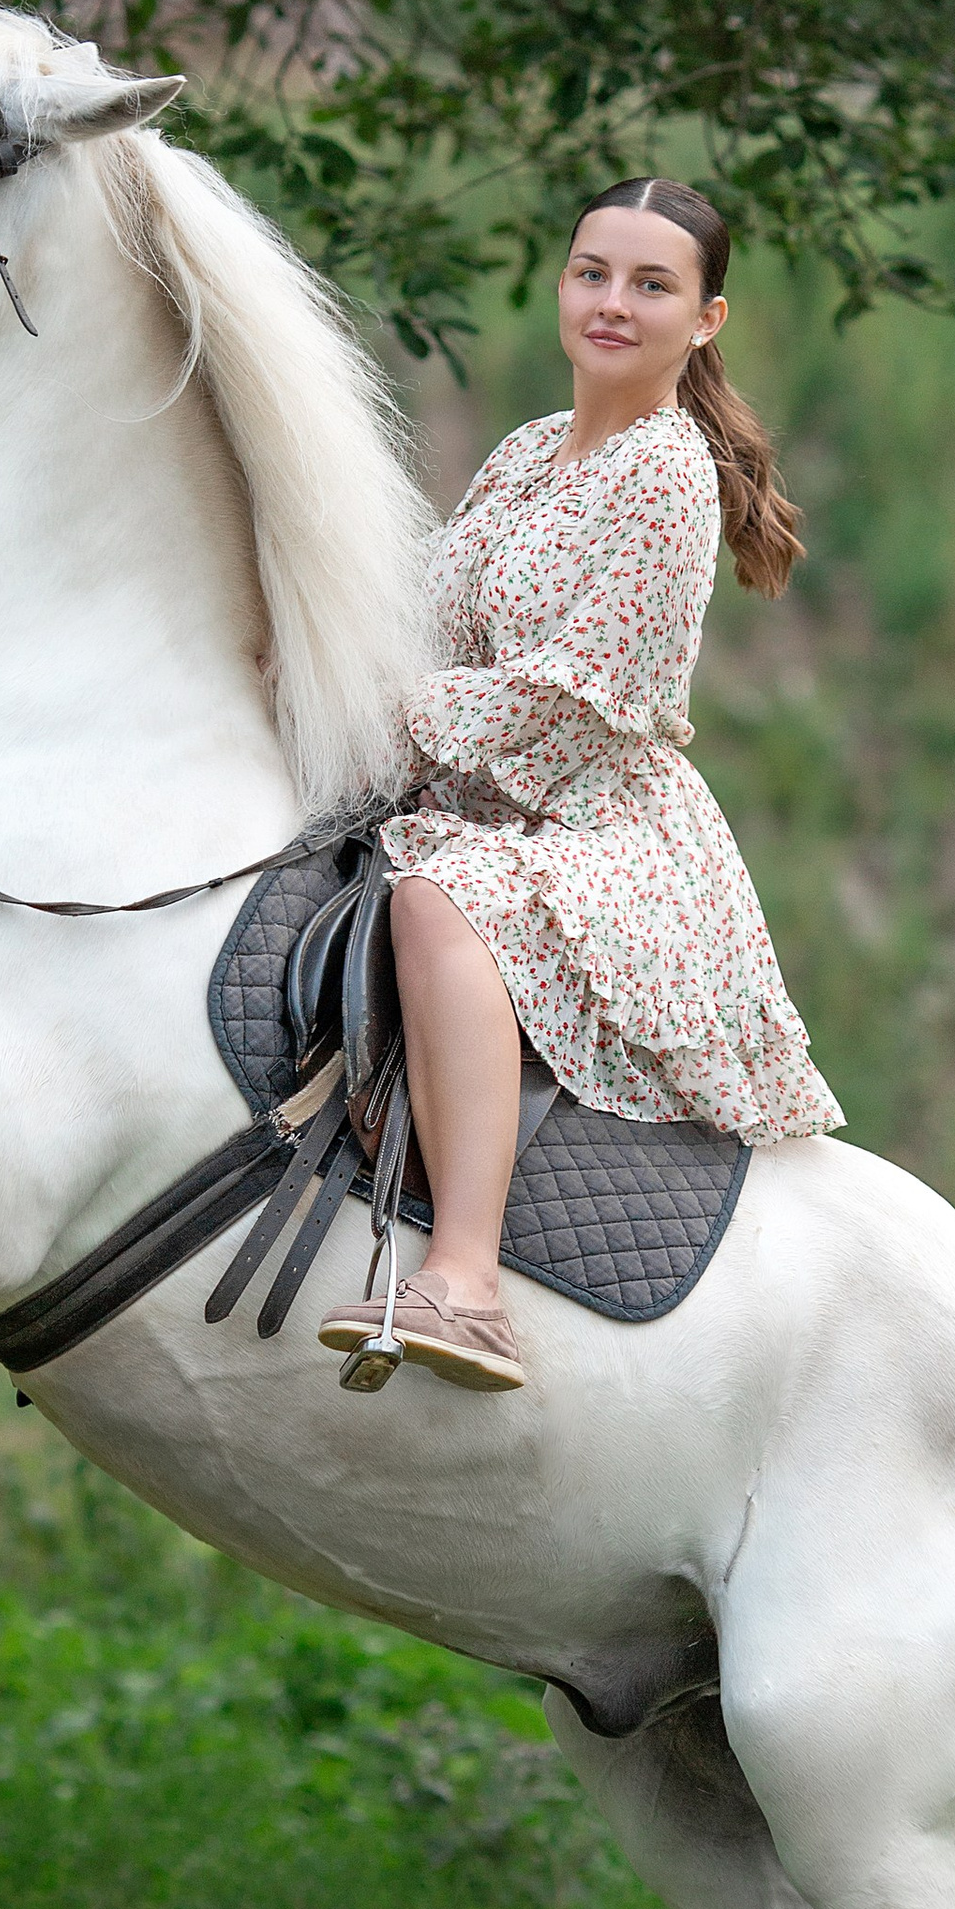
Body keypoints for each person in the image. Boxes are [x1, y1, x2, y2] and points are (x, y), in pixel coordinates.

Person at [320, 178, 843, 1394]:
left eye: (650, 284)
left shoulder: (668, 477)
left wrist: (391, 715)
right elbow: (429, 628)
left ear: (705, 320)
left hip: (598, 821)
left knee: (439, 901)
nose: (612, 303)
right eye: (592, 273)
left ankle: (464, 1283)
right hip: (468, 782)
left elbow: (574, 700)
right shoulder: (520, 453)